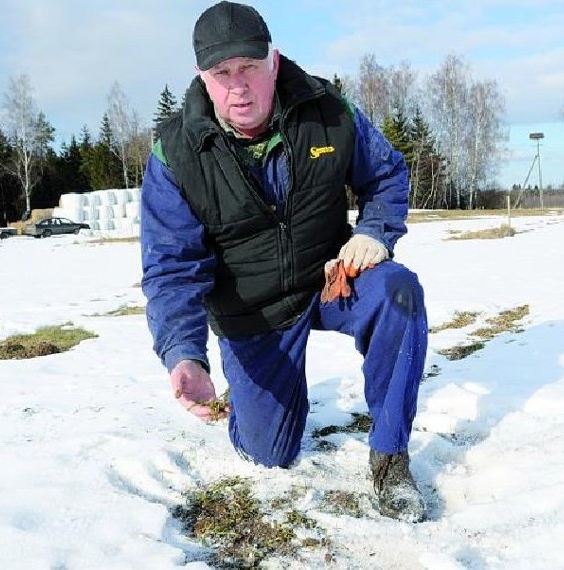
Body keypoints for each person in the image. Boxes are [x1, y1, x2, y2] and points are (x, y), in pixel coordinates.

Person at [141, 1, 428, 522]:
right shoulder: (175, 152)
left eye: (249, 67)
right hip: (251, 310)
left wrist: (374, 231)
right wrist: (184, 354)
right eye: (221, 74)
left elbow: (386, 176)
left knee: (397, 291)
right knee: (270, 453)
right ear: (202, 78)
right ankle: (255, 401)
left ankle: (390, 457)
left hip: (331, 277)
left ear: (273, 61)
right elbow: (171, 267)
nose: (238, 86)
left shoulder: (329, 112)